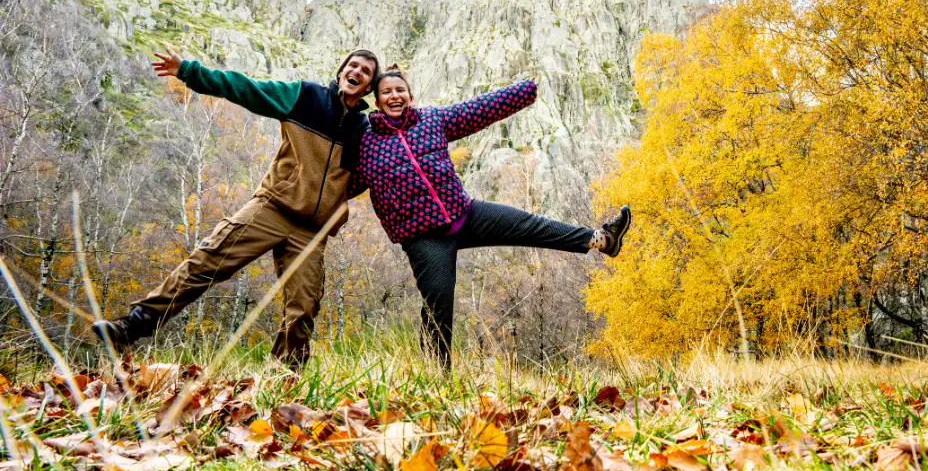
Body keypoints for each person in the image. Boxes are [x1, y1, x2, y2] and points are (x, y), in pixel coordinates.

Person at [92, 47, 378, 368]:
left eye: (366, 71)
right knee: (209, 260)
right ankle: (133, 325)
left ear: (368, 87)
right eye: (353, 66)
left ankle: (283, 378)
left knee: (304, 307)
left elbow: (368, 175)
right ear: (341, 72)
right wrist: (188, 70)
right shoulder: (304, 96)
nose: (358, 72)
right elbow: (244, 88)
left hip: (311, 231)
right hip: (272, 208)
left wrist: (332, 200)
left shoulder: (362, 131)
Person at [355, 64, 631, 366]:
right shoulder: (366, 143)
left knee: (530, 225)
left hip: (464, 213)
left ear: (409, 94)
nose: (394, 96)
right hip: (423, 237)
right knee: (438, 304)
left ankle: (602, 239)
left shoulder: (431, 119)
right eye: (387, 92)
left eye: (399, 90)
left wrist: (528, 89)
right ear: (377, 101)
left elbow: (480, 109)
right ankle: (436, 377)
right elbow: (339, 184)